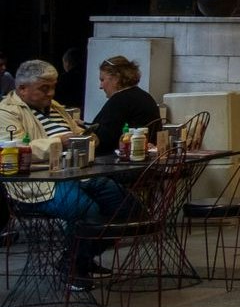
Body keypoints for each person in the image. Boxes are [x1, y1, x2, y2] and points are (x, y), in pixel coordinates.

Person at [0, 59, 125, 290]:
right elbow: (13, 149)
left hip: (78, 173)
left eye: (53, 86)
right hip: (38, 183)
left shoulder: (56, 107)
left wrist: (87, 138)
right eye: (44, 88)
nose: (51, 93)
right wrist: (58, 141)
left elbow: (79, 133)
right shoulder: (7, 113)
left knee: (125, 206)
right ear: (22, 89)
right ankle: (74, 266)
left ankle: (80, 257)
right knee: (85, 209)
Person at [88, 55, 161, 154]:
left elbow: (104, 138)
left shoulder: (119, 101)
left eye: (102, 80)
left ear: (116, 78)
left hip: (120, 161)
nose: (100, 86)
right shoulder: (145, 96)